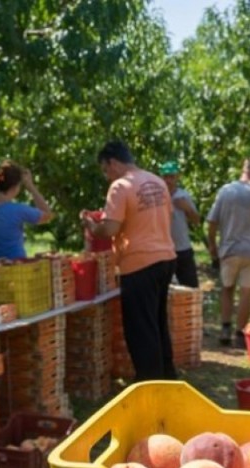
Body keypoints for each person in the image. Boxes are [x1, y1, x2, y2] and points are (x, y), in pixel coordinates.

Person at [82, 140, 178, 381]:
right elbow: (168, 215)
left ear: (113, 162)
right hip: (165, 257)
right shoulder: (157, 181)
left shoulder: (120, 186)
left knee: (141, 330)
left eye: (105, 169)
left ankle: (149, 383)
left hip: (139, 263)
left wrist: (93, 226)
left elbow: (111, 229)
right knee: (157, 322)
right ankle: (167, 376)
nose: (107, 176)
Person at [206, 157, 250, 347]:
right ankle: (240, 333)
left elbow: (212, 221)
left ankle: (225, 327)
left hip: (229, 248)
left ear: (242, 169)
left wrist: (212, 245)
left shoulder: (227, 190)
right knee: (246, 293)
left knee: (227, 289)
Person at [0, 160, 53, 259]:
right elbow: (48, 215)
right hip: (15, 270)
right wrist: (30, 186)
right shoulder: (19, 210)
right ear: (14, 187)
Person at [159, 160, 200, 288]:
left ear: (177, 177)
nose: (168, 180)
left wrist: (187, 208)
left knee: (190, 285)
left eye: (171, 177)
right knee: (163, 287)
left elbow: (197, 220)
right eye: (166, 177)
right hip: (163, 249)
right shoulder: (157, 196)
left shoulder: (183, 195)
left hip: (182, 248)